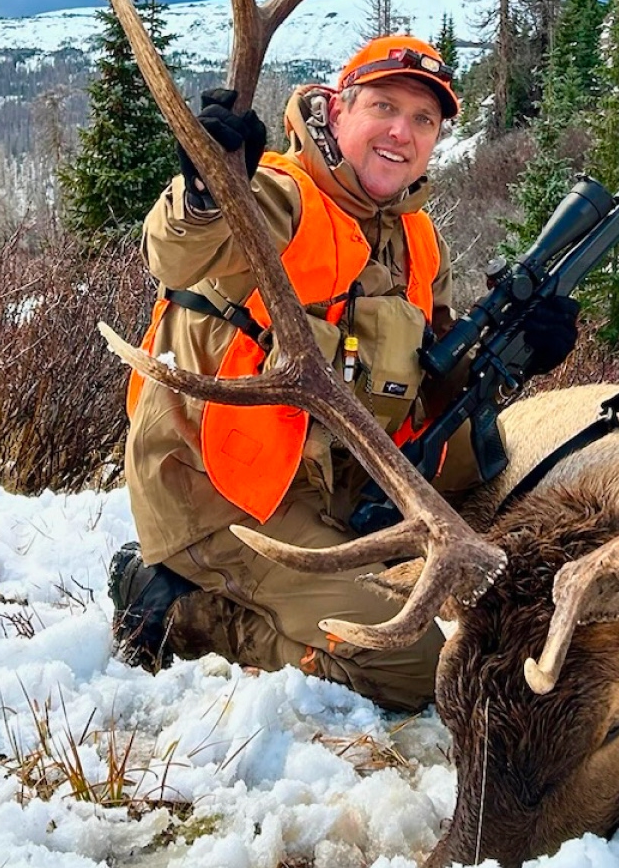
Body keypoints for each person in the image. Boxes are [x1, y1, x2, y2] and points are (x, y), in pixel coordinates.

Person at [107, 35, 579, 710]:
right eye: (384, 106)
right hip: (227, 495)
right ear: (335, 108)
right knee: (417, 664)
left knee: (497, 589)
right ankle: (178, 608)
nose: (402, 132)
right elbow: (176, 254)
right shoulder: (277, 195)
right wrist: (208, 187)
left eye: (423, 120)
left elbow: (430, 382)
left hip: (340, 485)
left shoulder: (417, 238)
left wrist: (520, 351)